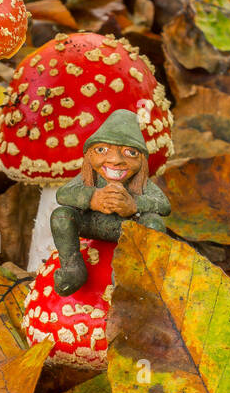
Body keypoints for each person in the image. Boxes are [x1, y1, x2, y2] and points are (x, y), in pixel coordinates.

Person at [49, 108, 170, 295]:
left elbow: (164, 206)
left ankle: (128, 274)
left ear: (143, 160)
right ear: (89, 155)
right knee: (61, 215)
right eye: (101, 150)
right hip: (91, 223)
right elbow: (63, 195)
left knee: (154, 223)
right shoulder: (89, 179)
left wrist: (133, 205)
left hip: (127, 229)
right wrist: (92, 198)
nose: (115, 160)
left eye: (130, 152)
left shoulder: (141, 183)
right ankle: (72, 268)